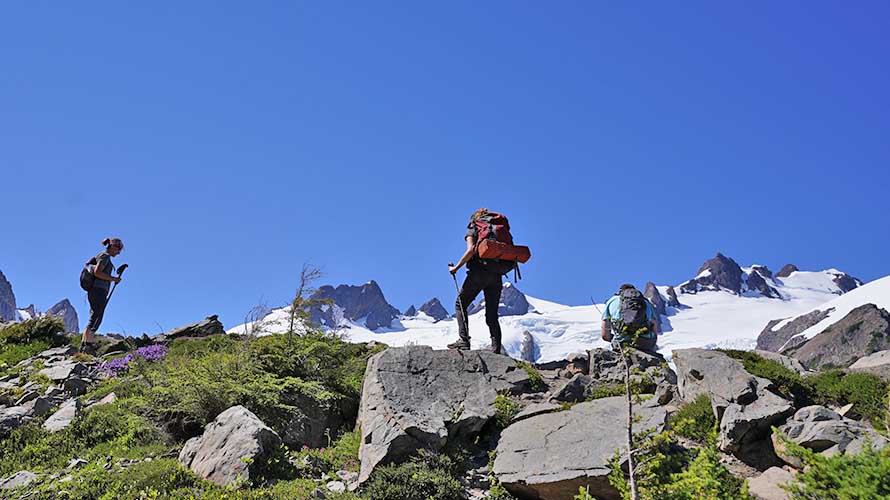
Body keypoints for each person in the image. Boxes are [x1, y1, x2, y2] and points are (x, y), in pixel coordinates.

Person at [447, 208, 509, 353]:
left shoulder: (474, 227)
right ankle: (496, 349)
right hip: (496, 275)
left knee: (460, 303)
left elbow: (470, 251)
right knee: (492, 315)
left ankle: (464, 341)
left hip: (479, 272)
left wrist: (455, 268)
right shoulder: (499, 230)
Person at [81, 238, 124, 353]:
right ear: (113, 246)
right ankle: (87, 346)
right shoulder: (105, 256)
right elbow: (97, 272)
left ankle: (85, 344)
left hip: (95, 290)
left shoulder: (103, 256)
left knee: (94, 316)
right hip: (98, 290)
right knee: (96, 317)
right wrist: (113, 278)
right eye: (119, 249)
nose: (119, 252)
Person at [601, 284, 660, 352]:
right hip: (645, 343)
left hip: (622, 343)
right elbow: (654, 330)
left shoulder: (612, 301)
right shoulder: (646, 303)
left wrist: (614, 338)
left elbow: (604, 335)